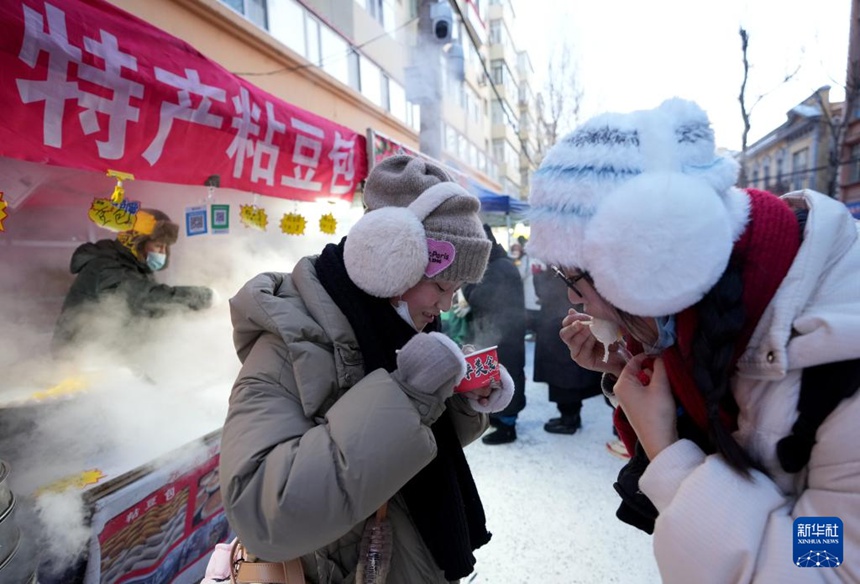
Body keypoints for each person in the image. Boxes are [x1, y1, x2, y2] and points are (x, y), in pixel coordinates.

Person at [527, 98, 860, 582]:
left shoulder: (840, 365)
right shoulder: (709, 328)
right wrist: (630, 375)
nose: (578, 304)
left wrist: (669, 455)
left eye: (573, 277)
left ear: (647, 264)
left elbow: (826, 560)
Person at [219, 155, 515, 583]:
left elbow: (412, 447)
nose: (446, 305)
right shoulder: (287, 345)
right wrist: (408, 394)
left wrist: (461, 400)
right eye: (442, 286)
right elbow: (261, 514)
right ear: (388, 259)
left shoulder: (398, 327)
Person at [51, 208, 213, 357]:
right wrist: (203, 297)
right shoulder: (106, 266)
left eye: (165, 247)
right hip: (79, 357)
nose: (163, 252)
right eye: (158, 246)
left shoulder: (134, 267)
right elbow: (144, 299)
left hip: (110, 351)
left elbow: (148, 313)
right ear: (136, 242)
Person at [461, 224, 527, 445]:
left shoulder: (497, 268)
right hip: (502, 333)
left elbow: (480, 298)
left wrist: (466, 286)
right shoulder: (500, 264)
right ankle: (501, 418)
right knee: (500, 376)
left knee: (506, 377)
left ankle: (508, 425)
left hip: (503, 335)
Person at [532, 264, 602, 434]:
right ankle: (570, 417)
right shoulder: (570, 264)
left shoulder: (560, 267)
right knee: (568, 375)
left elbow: (546, 292)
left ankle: (569, 419)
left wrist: (538, 275)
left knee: (564, 377)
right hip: (563, 322)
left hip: (559, 325)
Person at [509, 240, 539, 339]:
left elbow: (521, 274)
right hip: (529, 290)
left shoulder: (530, 259)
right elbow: (521, 274)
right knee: (530, 312)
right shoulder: (525, 259)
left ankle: (534, 332)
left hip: (533, 289)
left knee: (533, 312)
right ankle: (532, 332)